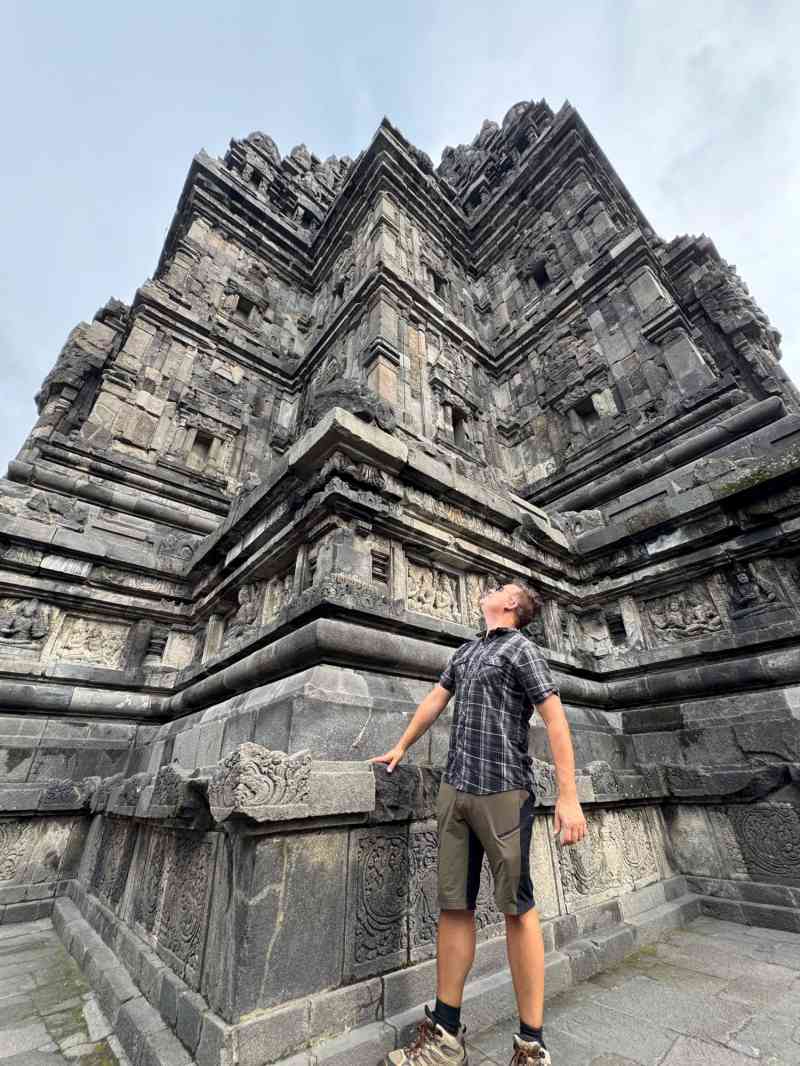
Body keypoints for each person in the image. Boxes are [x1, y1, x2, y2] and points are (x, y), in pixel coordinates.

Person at [372, 582, 587, 1066]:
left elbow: (555, 720)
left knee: (517, 908)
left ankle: (531, 1046)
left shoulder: (521, 650)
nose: (488, 589)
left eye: (499, 587)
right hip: (457, 790)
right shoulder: (467, 651)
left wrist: (569, 796)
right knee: (454, 905)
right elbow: (436, 699)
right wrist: (401, 745)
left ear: (511, 605)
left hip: (504, 790)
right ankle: (446, 1036)